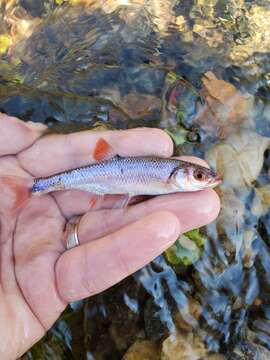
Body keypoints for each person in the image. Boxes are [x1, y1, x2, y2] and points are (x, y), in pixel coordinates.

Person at [0, 113, 220, 359]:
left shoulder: (169, 175)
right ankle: (35, 187)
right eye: (199, 177)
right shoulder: (166, 176)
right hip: (102, 176)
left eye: (200, 176)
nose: (204, 180)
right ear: (178, 175)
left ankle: (35, 186)